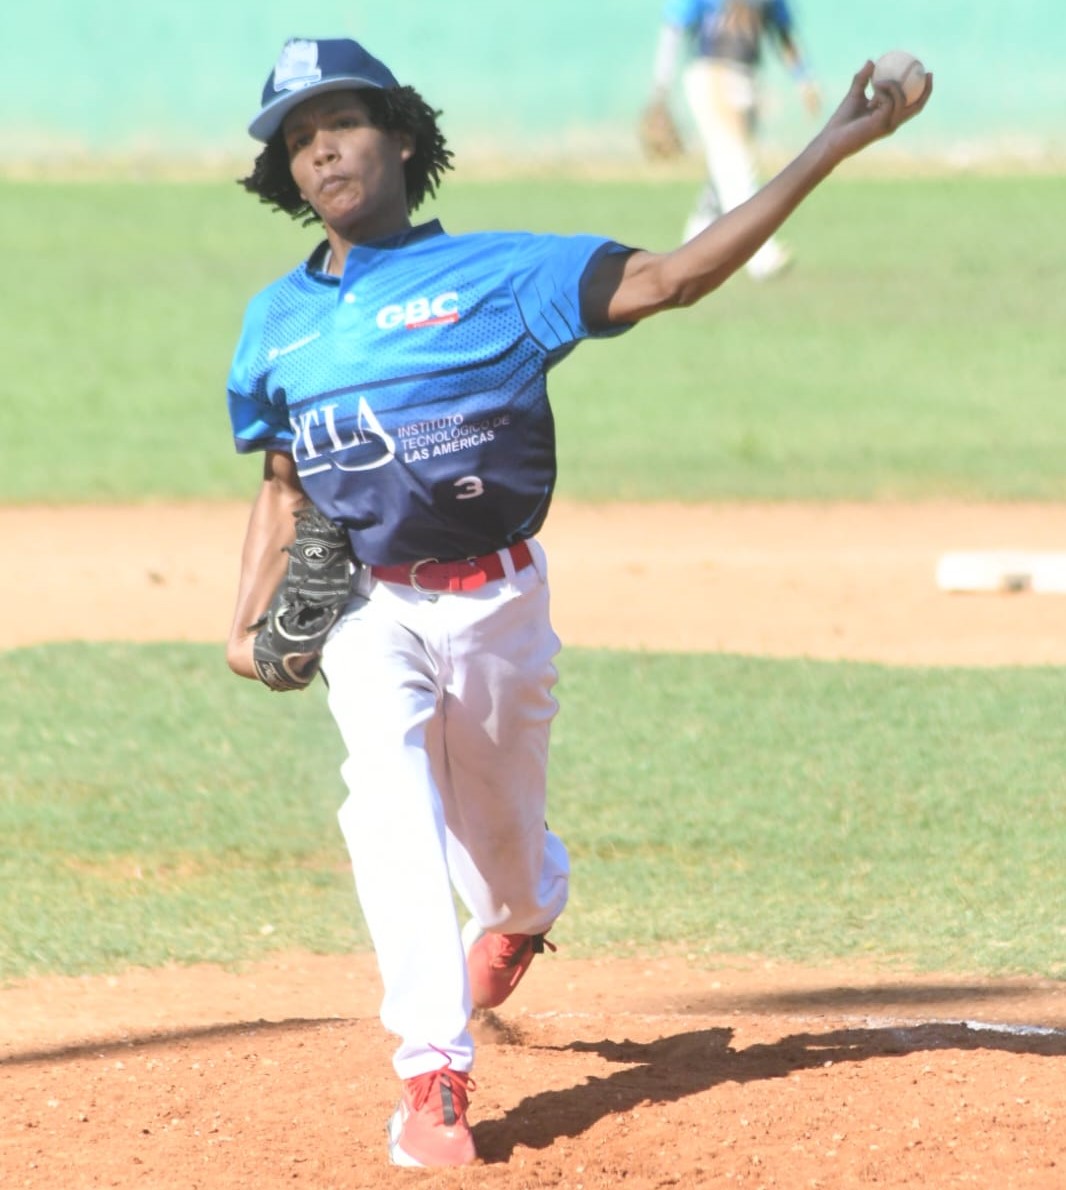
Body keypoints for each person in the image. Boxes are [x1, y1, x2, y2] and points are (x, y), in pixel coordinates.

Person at [224, 34, 931, 1168]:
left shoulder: (506, 276)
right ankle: (432, 1072)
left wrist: (828, 146)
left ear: (400, 137)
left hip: (498, 602)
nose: (322, 152)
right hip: (367, 605)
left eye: (342, 124)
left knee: (503, 864)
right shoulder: (275, 323)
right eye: (300, 141)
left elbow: (674, 277)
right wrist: (242, 620)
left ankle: (522, 911)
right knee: (386, 801)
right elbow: (281, 480)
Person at [648, 0, 822, 277]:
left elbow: (782, 31)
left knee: (722, 173)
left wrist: (805, 79)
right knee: (736, 162)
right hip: (711, 73)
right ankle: (760, 255)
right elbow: (674, 28)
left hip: (748, 77)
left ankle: (692, 245)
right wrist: (661, 91)